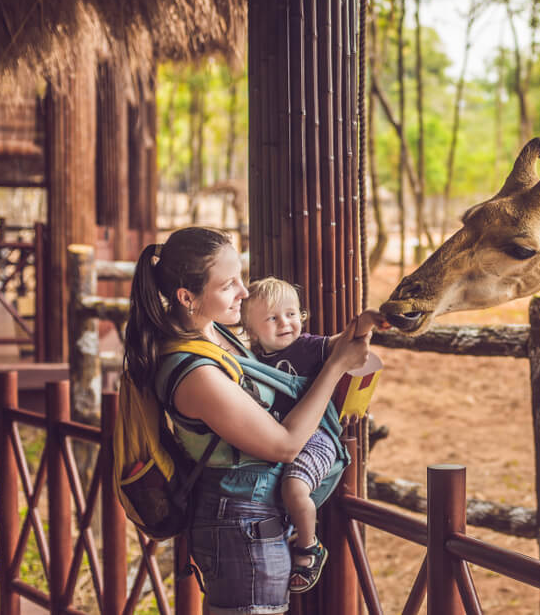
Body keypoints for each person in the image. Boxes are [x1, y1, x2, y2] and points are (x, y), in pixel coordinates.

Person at [123, 227, 370, 614]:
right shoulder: (193, 372)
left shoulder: (214, 332)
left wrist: (351, 337)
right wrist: (337, 367)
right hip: (241, 525)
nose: (243, 291)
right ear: (187, 297)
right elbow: (285, 445)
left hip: (255, 515)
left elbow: (284, 353)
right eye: (228, 285)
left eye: (241, 276)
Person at [240, 277, 386, 592]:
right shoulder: (250, 359)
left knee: (294, 489)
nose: (285, 323)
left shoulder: (307, 347)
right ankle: (290, 529)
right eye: (272, 318)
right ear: (251, 330)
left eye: (292, 314)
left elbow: (347, 337)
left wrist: (369, 319)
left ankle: (309, 547)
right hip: (278, 437)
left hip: (316, 437)